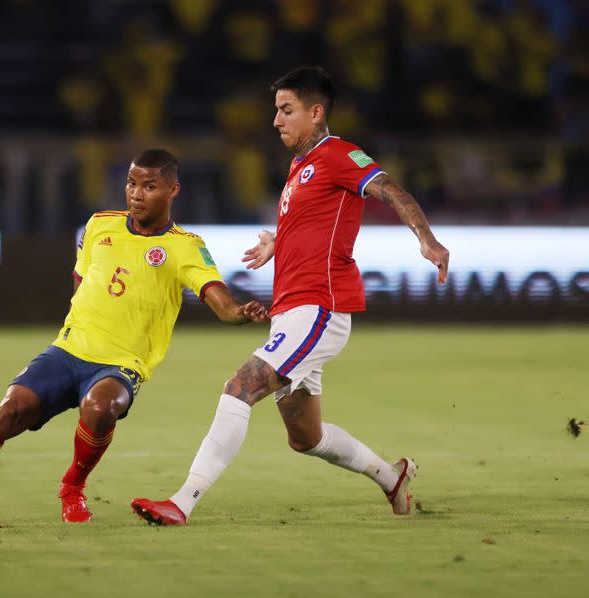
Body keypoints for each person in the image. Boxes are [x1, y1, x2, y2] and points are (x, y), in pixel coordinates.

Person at [131, 66, 450, 525]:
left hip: (320, 306)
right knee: (305, 436)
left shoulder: (340, 154)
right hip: (292, 311)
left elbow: (392, 190)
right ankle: (391, 476)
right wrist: (277, 242)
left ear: (316, 112)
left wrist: (427, 239)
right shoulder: (301, 167)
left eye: (286, 110)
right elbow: (315, 221)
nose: (276, 120)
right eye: (276, 111)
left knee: (241, 387)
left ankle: (181, 503)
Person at [0, 148, 269, 528]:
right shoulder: (99, 226)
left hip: (122, 362)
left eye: (149, 186)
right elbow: (80, 285)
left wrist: (241, 313)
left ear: (173, 190)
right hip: (68, 350)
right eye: (131, 184)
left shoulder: (184, 246)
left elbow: (222, 304)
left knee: (99, 406)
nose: (137, 194)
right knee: (10, 408)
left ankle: (72, 486)